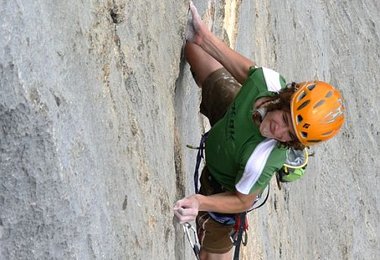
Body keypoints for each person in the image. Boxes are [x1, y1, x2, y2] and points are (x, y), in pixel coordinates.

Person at [174, 2, 345, 260]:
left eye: (291, 135)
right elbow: (245, 71)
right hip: (234, 112)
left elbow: (241, 201)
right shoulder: (268, 83)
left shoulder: (263, 159)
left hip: (224, 182)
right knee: (194, 51)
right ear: (283, 99)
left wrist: (201, 202)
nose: (280, 130)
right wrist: (203, 37)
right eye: (286, 118)